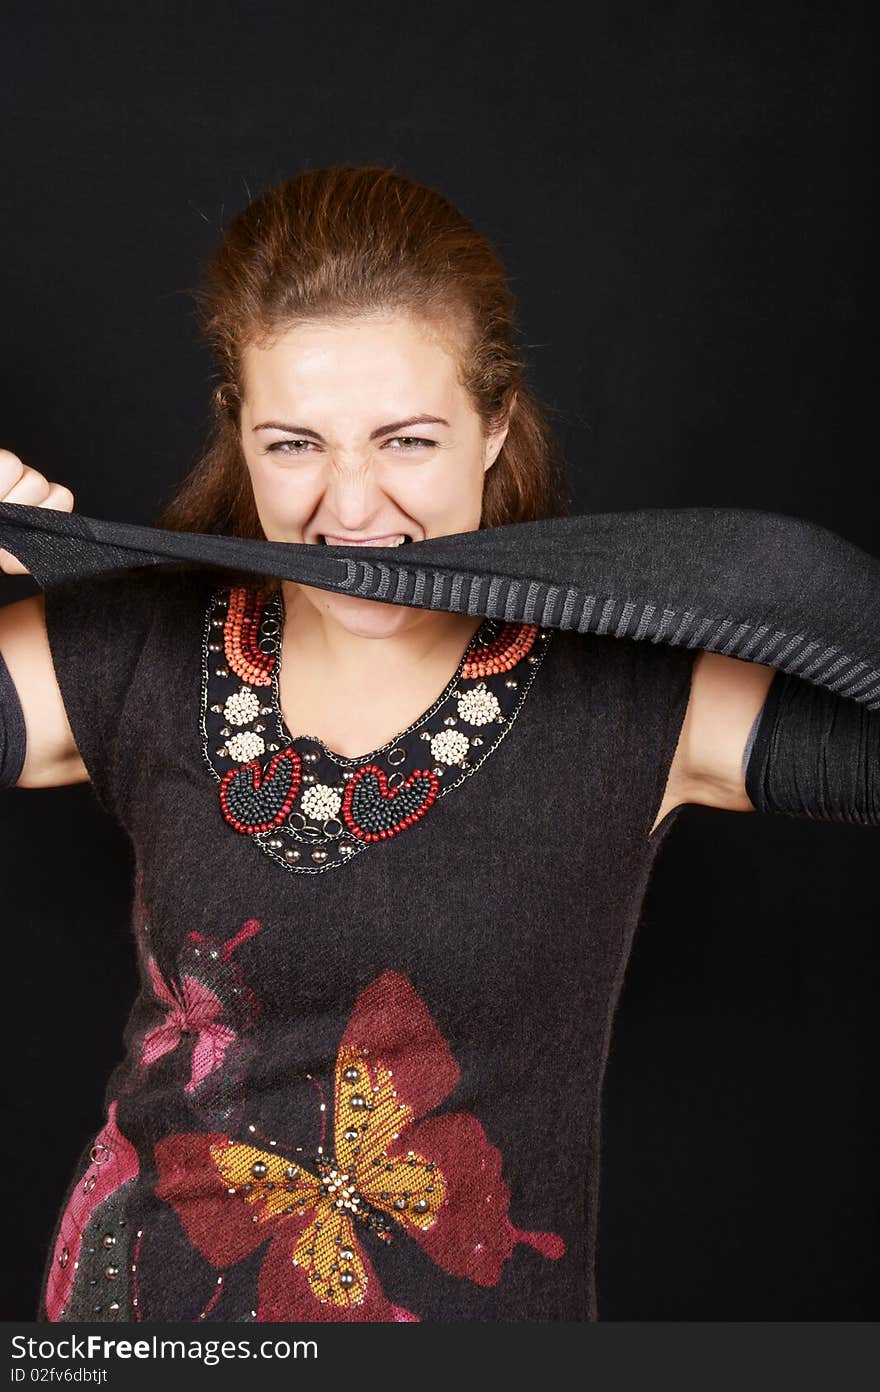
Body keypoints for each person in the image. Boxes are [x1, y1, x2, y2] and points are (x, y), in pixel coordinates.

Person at [0, 165, 875, 1323]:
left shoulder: (632, 694)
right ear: (237, 432)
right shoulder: (141, 648)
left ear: (495, 422)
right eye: (293, 444)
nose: (350, 508)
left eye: (406, 441)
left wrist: (714, 574)